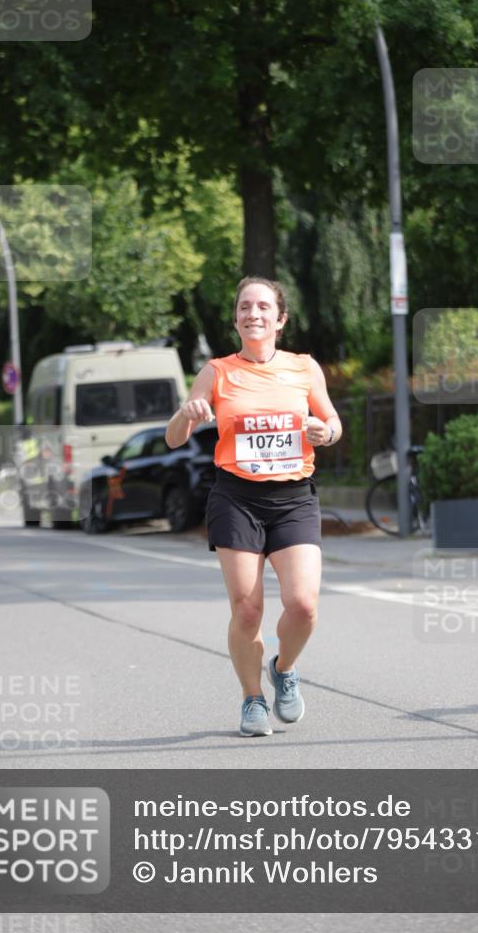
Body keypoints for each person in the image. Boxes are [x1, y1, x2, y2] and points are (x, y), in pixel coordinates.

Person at [165, 277, 342, 737]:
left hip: (293, 498)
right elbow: (173, 437)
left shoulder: (304, 368)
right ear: (237, 318)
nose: (253, 313)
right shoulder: (217, 371)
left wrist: (328, 432)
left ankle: (282, 668)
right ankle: (251, 699)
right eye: (245, 306)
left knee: (303, 605)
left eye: (263, 306)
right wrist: (188, 413)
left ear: (280, 319)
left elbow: (330, 419)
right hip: (236, 498)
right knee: (247, 610)